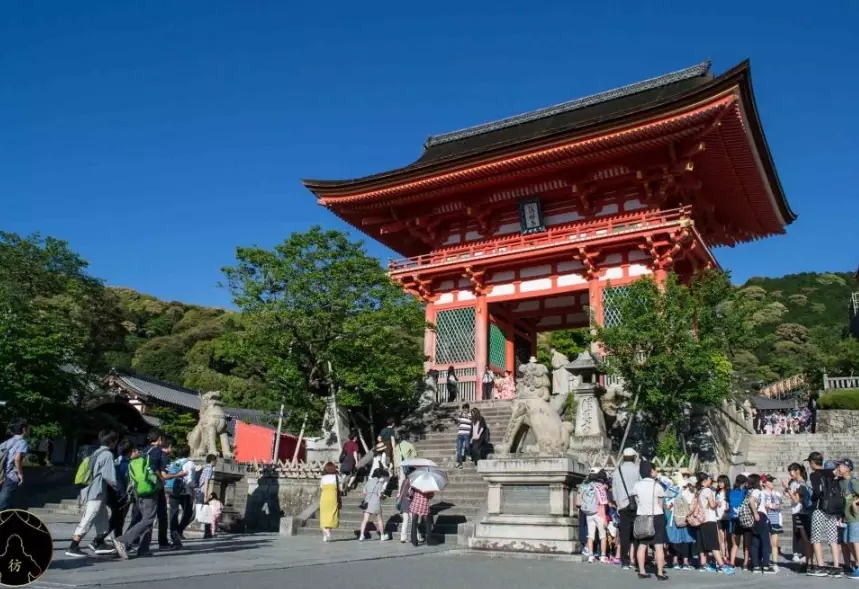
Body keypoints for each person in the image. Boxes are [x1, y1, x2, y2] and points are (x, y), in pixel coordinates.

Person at [113, 429, 183, 560]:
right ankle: (123, 540)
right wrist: (159, 483)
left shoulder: (140, 455)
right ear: (160, 439)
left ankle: (144, 548)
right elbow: (159, 474)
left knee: (146, 519)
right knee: (148, 519)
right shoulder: (155, 453)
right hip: (149, 491)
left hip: (138, 492)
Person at [65, 430, 120, 557]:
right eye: (115, 441)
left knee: (102, 518)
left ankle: (100, 543)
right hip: (96, 491)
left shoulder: (96, 452)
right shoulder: (107, 455)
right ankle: (73, 545)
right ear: (112, 441)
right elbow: (110, 477)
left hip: (91, 489)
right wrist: (119, 488)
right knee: (89, 517)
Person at [807, 452, 842, 577]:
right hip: (832, 509)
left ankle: (821, 567)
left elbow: (817, 491)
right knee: (833, 539)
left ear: (812, 463)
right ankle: (837, 568)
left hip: (819, 508)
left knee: (816, 538)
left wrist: (813, 497)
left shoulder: (814, 474)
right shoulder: (831, 473)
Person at [631, 460, 668, 580]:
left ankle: (642, 571)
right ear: (650, 471)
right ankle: (660, 573)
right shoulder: (657, 486)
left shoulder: (636, 485)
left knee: (642, 545)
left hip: (642, 517)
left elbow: (636, 501)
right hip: (656, 516)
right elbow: (660, 504)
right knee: (658, 546)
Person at [694, 473, 735, 573]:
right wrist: (717, 503)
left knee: (702, 543)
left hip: (700, 519)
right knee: (714, 544)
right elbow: (712, 505)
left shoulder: (698, 490)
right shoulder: (707, 490)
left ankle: (703, 564)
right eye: (709, 479)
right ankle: (721, 565)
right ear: (705, 480)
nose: (711, 481)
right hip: (709, 519)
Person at [612, 447, 641, 570]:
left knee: (624, 535)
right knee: (637, 533)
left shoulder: (617, 471)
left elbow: (614, 491)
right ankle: (635, 559)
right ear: (634, 457)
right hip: (637, 505)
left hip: (623, 506)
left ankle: (624, 560)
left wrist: (618, 503)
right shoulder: (637, 470)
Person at [784, 462, 812, 571]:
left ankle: (808, 561)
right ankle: (807, 561)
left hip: (802, 511)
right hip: (800, 511)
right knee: (803, 536)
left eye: (791, 471)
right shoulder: (797, 482)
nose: (790, 473)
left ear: (797, 471)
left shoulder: (801, 483)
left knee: (805, 537)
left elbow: (796, 499)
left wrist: (787, 489)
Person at [166, 445, 196, 547]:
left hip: (173, 490)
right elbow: (190, 481)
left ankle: (173, 536)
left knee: (173, 514)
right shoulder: (190, 463)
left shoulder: (174, 462)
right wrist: (193, 492)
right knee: (189, 513)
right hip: (185, 492)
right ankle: (179, 531)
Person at [108, 439, 136, 543]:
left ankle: (117, 538)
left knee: (117, 517)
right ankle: (103, 539)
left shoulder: (116, 460)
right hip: (122, 494)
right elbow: (127, 479)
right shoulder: (127, 463)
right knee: (119, 519)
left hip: (113, 492)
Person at [578, 469, 610, 563]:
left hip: (588, 513)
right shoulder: (600, 486)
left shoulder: (585, 486)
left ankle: (590, 556)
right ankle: (603, 556)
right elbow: (602, 503)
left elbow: (580, 497)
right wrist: (604, 518)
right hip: (598, 513)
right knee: (602, 535)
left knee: (590, 535)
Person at [746, 474, 775, 574]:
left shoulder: (751, 490)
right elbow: (751, 500)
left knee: (755, 541)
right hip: (760, 516)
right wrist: (756, 513)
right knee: (765, 542)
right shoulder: (757, 491)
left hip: (756, 517)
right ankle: (766, 565)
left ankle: (756, 566)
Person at [665, 473, 694, 570]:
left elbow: (667, 505)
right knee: (685, 540)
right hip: (685, 517)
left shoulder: (669, 490)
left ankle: (675, 561)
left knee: (675, 540)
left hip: (673, 518)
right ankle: (685, 562)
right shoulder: (687, 491)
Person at [0, 419, 30, 510]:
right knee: (4, 503)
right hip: (11, 476)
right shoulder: (22, 442)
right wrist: (20, 474)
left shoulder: (7, 442)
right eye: (28, 428)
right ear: (24, 429)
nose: (29, 431)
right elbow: (17, 458)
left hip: (2, 475)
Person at [837, 459, 859, 580]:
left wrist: (855, 502)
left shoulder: (853, 482)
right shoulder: (841, 483)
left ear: (848, 468)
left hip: (856, 517)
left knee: (855, 541)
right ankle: (856, 562)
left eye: (841, 466)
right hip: (846, 518)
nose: (839, 468)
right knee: (847, 541)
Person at [359, 468, 389, 542]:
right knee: (379, 520)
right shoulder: (379, 483)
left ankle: (361, 535)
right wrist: (384, 497)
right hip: (375, 502)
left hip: (367, 502)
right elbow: (380, 495)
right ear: (380, 475)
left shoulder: (368, 482)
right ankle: (382, 535)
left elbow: (364, 492)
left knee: (365, 520)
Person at [728, 474, 750, 569]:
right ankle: (745, 564)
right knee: (746, 543)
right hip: (744, 518)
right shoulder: (745, 492)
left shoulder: (730, 492)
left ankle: (732, 562)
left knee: (735, 544)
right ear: (744, 483)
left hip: (733, 520)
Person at [762, 475, 783, 572]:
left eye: (772, 481)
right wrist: (770, 505)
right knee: (766, 542)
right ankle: (765, 561)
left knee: (774, 543)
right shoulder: (762, 493)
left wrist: (773, 506)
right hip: (765, 519)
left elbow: (779, 506)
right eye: (769, 481)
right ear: (764, 483)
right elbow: (762, 506)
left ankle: (775, 562)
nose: (772, 483)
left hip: (775, 520)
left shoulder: (777, 493)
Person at [319, 461, 340, 542]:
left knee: (323, 516)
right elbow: (340, 488)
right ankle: (328, 531)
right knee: (332, 515)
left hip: (324, 498)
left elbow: (321, 488)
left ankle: (325, 532)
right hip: (333, 498)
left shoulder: (323, 478)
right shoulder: (337, 477)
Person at [716, 474, 731, 558]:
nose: (720, 484)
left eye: (722, 482)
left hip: (727, 517)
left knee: (727, 538)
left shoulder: (728, 492)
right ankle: (723, 556)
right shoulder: (717, 492)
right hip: (718, 517)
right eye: (719, 482)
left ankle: (728, 554)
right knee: (721, 538)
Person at [397, 467, 413, 543]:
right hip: (410, 503)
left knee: (405, 521)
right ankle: (416, 536)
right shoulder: (412, 482)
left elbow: (401, 492)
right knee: (413, 521)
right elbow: (411, 494)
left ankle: (403, 538)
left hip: (403, 503)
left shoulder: (404, 481)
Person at [454, 403, 471, 469]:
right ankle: (459, 463)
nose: (464, 410)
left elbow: (473, 424)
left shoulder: (471, 415)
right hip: (460, 434)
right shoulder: (461, 415)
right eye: (463, 409)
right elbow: (458, 422)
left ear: (468, 409)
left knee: (467, 446)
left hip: (467, 434)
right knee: (459, 449)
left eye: (465, 409)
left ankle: (469, 453)